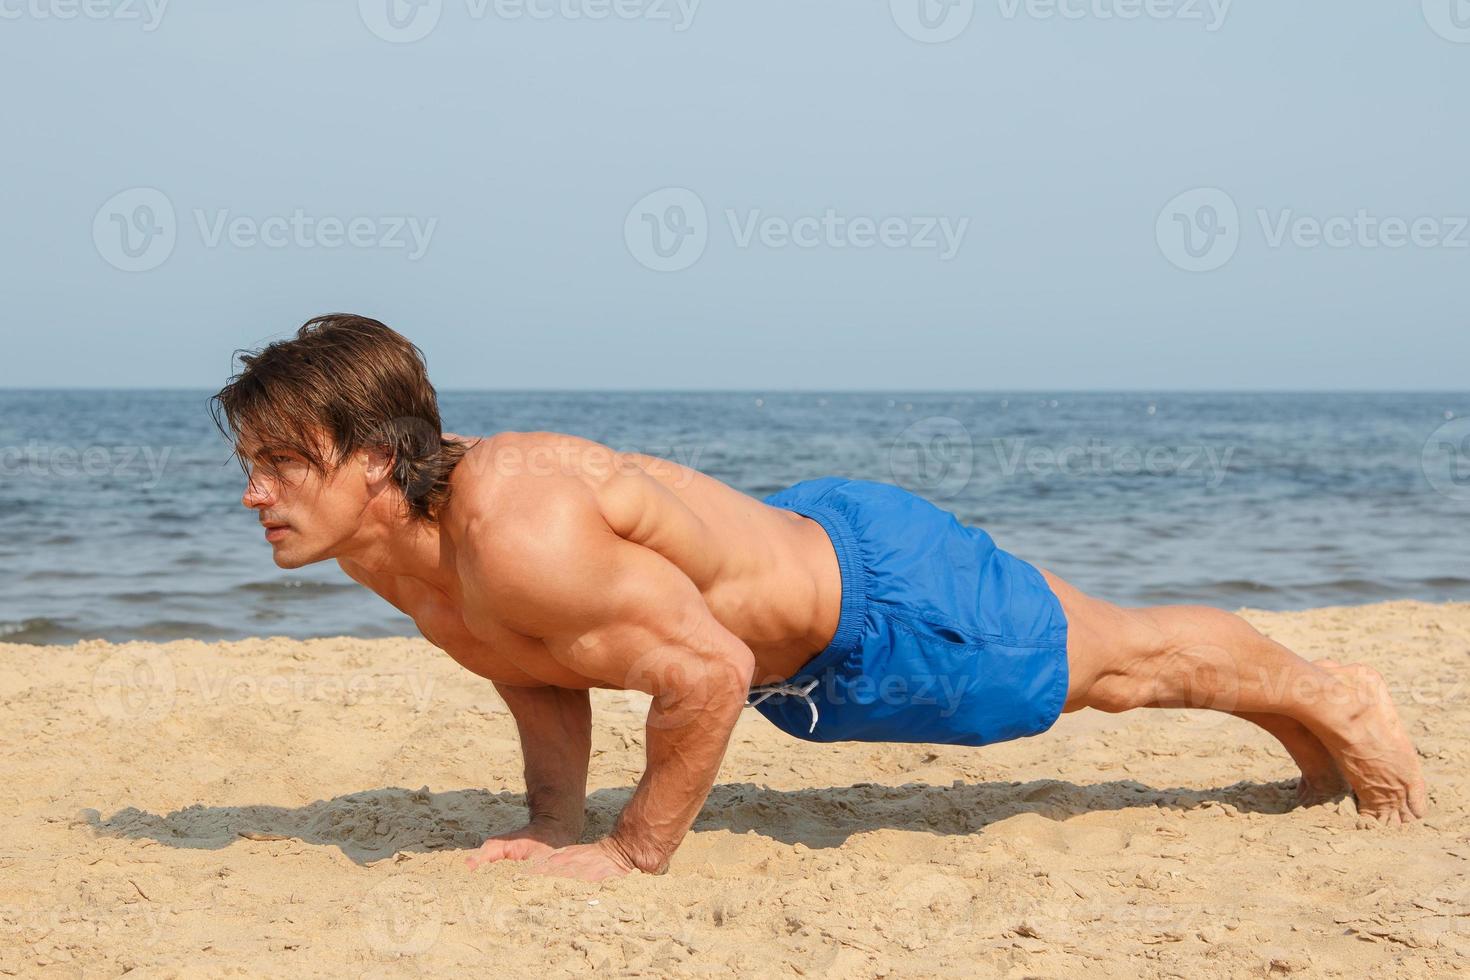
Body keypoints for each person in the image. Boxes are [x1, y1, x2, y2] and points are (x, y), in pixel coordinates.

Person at [212, 314, 1428, 881]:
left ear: (375, 457)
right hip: (808, 585)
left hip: (876, 606)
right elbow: (540, 665)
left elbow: (706, 674)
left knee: (1118, 665)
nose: (257, 492)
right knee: (1118, 663)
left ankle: (1337, 696)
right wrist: (551, 825)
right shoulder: (397, 552)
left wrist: (635, 853)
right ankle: (1306, 733)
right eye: (250, 463)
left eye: (282, 461)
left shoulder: (512, 522)